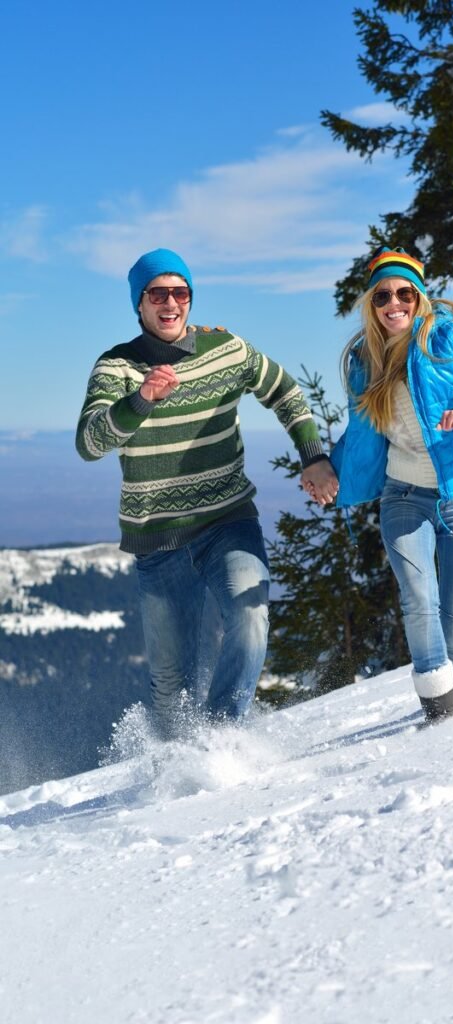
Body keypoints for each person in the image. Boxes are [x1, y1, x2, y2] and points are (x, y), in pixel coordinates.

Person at [76, 248, 338, 737]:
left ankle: (221, 740)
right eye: (158, 293)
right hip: (157, 540)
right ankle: (177, 777)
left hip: (227, 522)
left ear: (190, 300)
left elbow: (284, 391)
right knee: (171, 686)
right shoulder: (117, 366)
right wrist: (141, 400)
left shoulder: (226, 349)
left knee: (250, 614)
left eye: (180, 292)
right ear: (140, 304)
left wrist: (313, 455)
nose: (170, 302)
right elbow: (89, 442)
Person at [317, 245, 453, 723]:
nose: (395, 303)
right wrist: (331, 467)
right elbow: (364, 435)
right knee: (418, 599)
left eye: (404, 293)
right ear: (371, 304)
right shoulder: (364, 361)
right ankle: (439, 708)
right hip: (403, 496)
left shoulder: (450, 338)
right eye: (383, 296)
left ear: (420, 296)